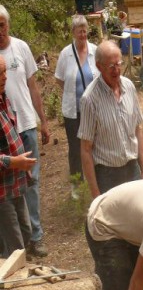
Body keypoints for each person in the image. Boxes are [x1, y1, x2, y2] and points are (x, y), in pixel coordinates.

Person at [0, 4, 50, 258]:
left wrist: (43, 121)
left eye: (1, 24)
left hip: (26, 125)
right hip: (4, 134)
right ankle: (16, 243)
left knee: (31, 182)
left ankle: (35, 237)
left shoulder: (20, 48)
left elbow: (33, 87)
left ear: (8, 24)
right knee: (8, 189)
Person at [78, 40, 143, 199]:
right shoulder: (90, 99)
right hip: (107, 175)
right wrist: (95, 192)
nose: (116, 70)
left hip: (133, 168)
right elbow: (86, 149)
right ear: (99, 66)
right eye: (111, 66)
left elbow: (137, 130)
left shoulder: (129, 87)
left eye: (119, 64)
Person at [55, 14, 99, 200]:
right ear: (73, 33)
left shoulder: (95, 50)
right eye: (79, 30)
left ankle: (96, 179)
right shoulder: (66, 53)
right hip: (73, 111)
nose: (82, 33)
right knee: (75, 148)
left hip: (94, 109)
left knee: (95, 145)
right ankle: (76, 183)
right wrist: (75, 95)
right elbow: (59, 79)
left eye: (84, 29)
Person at [0, 54, 37, 257]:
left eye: (5, 71)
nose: (5, 77)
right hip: (1, 193)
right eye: (0, 73)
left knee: (26, 232)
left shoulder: (4, 99)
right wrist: (14, 162)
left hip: (16, 185)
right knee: (15, 248)